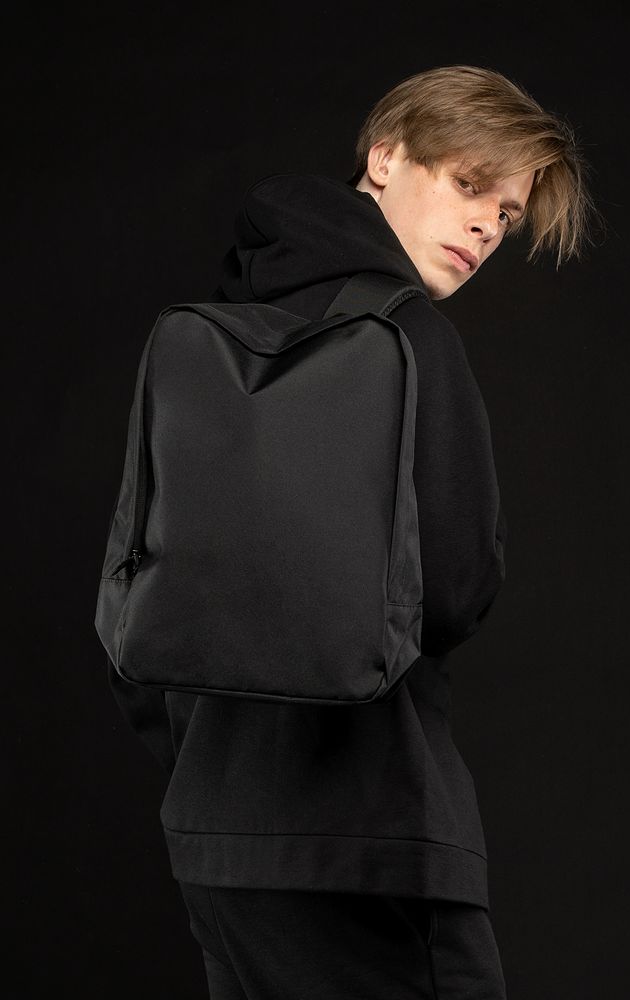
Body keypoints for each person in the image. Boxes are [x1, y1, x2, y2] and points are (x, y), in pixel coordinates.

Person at [105, 65, 598, 998]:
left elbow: (132, 592)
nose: (487, 228)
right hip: (371, 832)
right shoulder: (409, 335)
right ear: (384, 157)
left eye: (506, 213)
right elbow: (455, 589)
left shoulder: (212, 330)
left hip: (214, 834)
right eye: (469, 185)